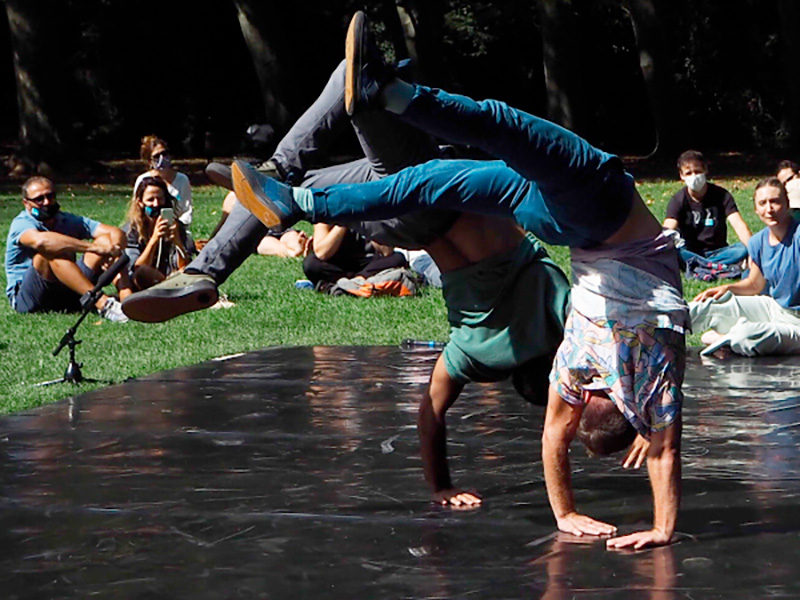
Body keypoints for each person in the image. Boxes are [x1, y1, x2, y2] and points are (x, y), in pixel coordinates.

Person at [230, 11, 689, 549]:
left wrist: (619, 488)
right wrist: (639, 517)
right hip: (569, 218)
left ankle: (357, 135)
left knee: (495, 136)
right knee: (442, 176)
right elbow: (562, 436)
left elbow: (650, 449)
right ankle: (309, 191)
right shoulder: (576, 373)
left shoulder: (625, 366)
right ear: (593, 399)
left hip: (594, 214)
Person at [119, 58, 648, 508]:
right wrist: (441, 485)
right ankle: (208, 267)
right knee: (288, 182)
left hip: (428, 192)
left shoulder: (558, 314)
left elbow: (625, 344)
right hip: (398, 224)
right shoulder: (473, 353)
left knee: (358, 85)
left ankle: (220, 255)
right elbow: (430, 415)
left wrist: (648, 419)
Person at [691, 177, 800, 356]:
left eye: (775, 202)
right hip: (774, 309)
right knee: (707, 306)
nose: (769, 209)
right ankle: (652, 334)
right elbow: (755, 285)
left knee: (747, 335)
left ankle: (726, 338)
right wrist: (727, 287)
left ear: (787, 204)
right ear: (756, 210)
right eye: (763, 203)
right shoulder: (758, 242)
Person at [4, 176, 130, 322]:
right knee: (50, 252)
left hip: (65, 293)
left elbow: (115, 232)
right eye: (39, 199)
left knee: (104, 240)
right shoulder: (21, 223)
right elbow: (41, 242)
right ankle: (103, 304)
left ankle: (127, 298)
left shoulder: (64, 219)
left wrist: (113, 249)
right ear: (26, 203)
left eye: (50, 196)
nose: (46, 202)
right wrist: (94, 247)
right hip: (30, 299)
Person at [663, 150, 751, 275]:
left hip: (719, 251)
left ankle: (700, 266)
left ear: (705, 170)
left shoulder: (722, 195)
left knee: (742, 249)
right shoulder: (678, 200)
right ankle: (716, 266)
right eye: (689, 173)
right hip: (690, 252)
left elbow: (738, 224)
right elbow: (668, 227)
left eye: (697, 171)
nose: (694, 176)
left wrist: (754, 250)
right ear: (681, 176)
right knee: (674, 252)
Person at [123, 175, 190, 290]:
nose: (156, 204)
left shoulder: (176, 226)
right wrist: (154, 239)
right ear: (140, 202)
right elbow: (136, 269)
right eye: (150, 200)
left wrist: (177, 241)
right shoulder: (131, 231)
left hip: (172, 276)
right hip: (143, 282)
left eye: (160, 199)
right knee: (143, 272)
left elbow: (185, 266)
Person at [302, 222, 407, 291]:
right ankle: (355, 284)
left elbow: (386, 252)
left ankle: (346, 284)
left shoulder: (375, 209)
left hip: (369, 263)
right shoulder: (326, 214)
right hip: (340, 263)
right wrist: (344, 221)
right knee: (311, 264)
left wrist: (371, 221)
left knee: (398, 258)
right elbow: (322, 253)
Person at [134, 135, 195, 252]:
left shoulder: (182, 180)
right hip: (148, 231)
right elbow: (137, 212)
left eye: (165, 153)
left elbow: (186, 212)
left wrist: (176, 228)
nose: (162, 158)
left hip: (176, 230)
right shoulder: (143, 181)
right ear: (149, 160)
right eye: (156, 156)